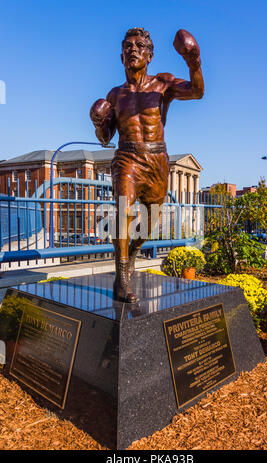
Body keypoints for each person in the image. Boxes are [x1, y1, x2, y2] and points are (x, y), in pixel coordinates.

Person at [90, 27, 204, 302]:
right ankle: (121, 277)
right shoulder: (115, 95)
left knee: (149, 222)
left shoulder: (162, 84)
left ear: (150, 55)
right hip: (127, 157)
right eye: (128, 46)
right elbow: (106, 138)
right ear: (121, 57)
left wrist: (194, 61)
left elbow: (197, 92)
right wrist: (97, 122)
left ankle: (130, 259)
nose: (133, 49)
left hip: (156, 159)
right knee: (123, 213)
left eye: (140, 45)